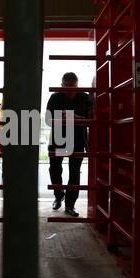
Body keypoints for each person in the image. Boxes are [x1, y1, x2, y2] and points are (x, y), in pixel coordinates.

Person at [45, 72, 93, 217]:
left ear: (77, 85)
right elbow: (47, 119)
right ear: (61, 86)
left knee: (74, 173)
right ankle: (59, 196)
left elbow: (92, 119)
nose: (70, 91)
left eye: (72, 87)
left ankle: (70, 205)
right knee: (54, 169)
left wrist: (76, 117)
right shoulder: (55, 97)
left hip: (78, 141)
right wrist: (63, 117)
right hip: (57, 140)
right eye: (66, 87)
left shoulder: (85, 97)